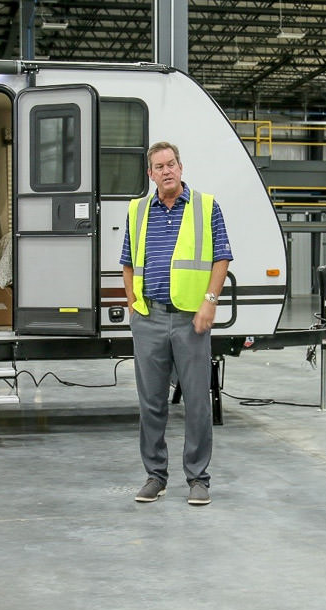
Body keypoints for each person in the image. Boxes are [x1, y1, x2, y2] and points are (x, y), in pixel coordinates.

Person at [120, 141, 232, 506]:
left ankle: (198, 478)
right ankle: (155, 476)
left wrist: (209, 303)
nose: (166, 171)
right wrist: (133, 304)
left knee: (197, 401)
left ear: (181, 168)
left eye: (171, 164)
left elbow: (221, 257)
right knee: (151, 402)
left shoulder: (206, 206)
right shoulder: (137, 210)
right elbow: (127, 260)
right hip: (149, 317)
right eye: (159, 166)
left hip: (190, 319)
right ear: (150, 173)